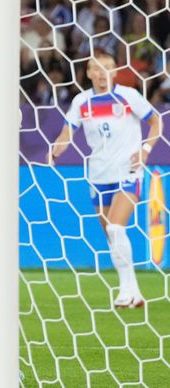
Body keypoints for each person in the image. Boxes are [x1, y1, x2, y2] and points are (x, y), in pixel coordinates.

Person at [48, 52, 162, 309]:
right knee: (111, 237)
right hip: (98, 175)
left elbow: (156, 121)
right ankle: (132, 292)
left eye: (107, 68)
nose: (102, 73)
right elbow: (67, 131)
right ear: (88, 73)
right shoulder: (81, 101)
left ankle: (126, 291)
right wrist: (57, 148)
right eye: (96, 69)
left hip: (128, 170)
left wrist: (144, 150)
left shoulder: (128, 95)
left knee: (116, 228)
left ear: (114, 71)